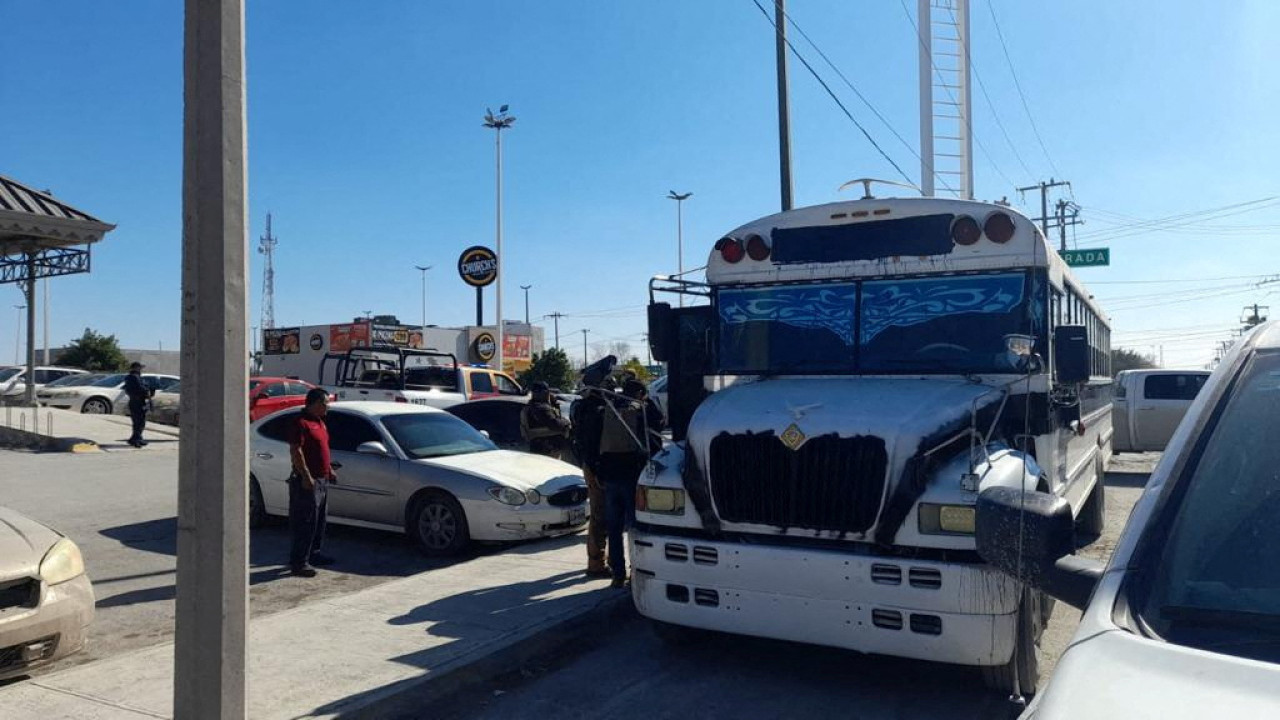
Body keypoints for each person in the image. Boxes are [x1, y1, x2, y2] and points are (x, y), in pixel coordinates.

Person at [596, 378, 654, 588]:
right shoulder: (640, 410)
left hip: (610, 474)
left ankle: (617, 574)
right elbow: (658, 426)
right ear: (639, 393)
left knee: (614, 528)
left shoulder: (608, 409)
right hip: (632, 474)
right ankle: (635, 571)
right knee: (635, 527)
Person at [287, 388, 338, 577]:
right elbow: (296, 451)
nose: (328, 407)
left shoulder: (320, 423)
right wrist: (306, 476)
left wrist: (329, 471)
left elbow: (322, 449)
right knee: (305, 522)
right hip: (307, 481)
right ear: (315, 403)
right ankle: (299, 562)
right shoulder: (300, 423)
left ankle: (314, 553)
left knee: (319, 521)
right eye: (325, 403)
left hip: (322, 479)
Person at [571, 379, 611, 579]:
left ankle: (600, 561)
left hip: (591, 465)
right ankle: (596, 563)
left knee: (602, 516)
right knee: (600, 516)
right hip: (598, 467)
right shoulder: (597, 411)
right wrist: (595, 469)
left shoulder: (583, 408)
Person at [520, 381, 571, 459]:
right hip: (547, 449)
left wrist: (553, 403)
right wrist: (566, 422)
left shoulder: (532, 406)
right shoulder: (541, 408)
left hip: (542, 448)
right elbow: (555, 424)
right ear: (545, 393)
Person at [123, 362, 153, 448]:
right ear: (135, 368)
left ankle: (136, 438)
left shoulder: (131, 377)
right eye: (139, 368)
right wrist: (146, 390)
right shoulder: (134, 377)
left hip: (135, 401)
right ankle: (136, 440)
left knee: (138, 421)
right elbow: (140, 388)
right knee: (139, 422)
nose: (140, 369)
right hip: (137, 402)